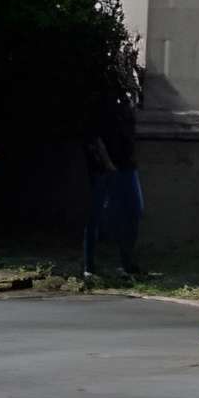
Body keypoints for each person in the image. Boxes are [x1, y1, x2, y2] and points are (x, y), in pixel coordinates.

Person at [82, 87, 142, 280]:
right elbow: (95, 135)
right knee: (96, 215)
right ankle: (90, 267)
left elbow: (128, 133)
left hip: (127, 164)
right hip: (104, 167)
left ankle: (126, 264)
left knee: (134, 211)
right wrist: (108, 164)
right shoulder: (103, 97)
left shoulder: (129, 99)